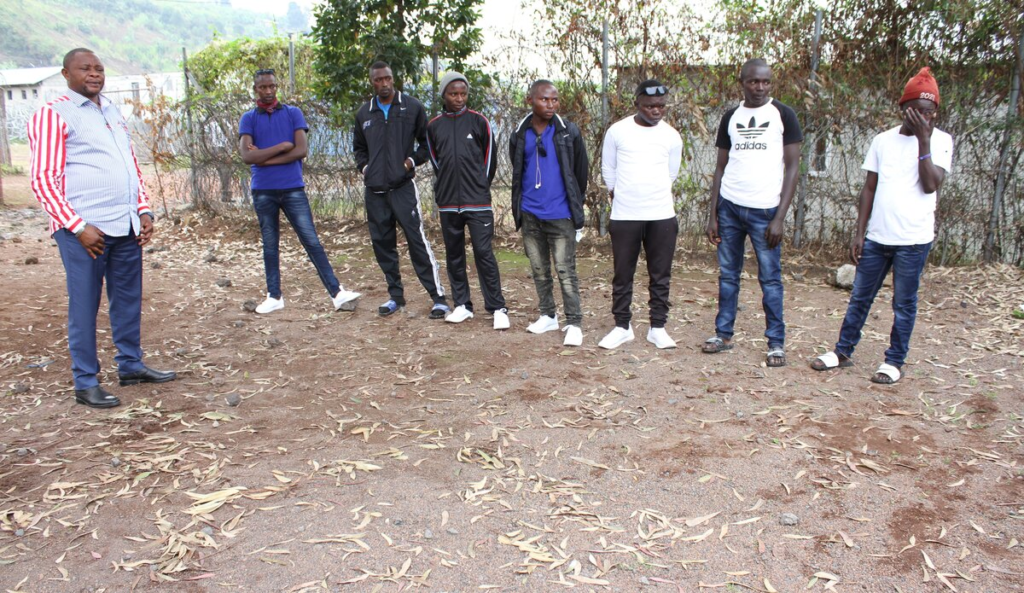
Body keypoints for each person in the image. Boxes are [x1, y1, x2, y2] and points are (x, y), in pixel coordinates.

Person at [28, 48, 176, 409]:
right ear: (66, 74)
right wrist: (77, 226)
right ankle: (85, 382)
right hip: (85, 232)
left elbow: (130, 166)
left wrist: (143, 209)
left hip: (125, 225)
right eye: (85, 68)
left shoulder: (111, 111)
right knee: (84, 304)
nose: (94, 74)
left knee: (127, 299)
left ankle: (131, 365)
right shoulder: (53, 114)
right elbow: (43, 179)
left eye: (99, 68)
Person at [811, 67, 953, 385]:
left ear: (935, 112)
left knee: (903, 303)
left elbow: (931, 184)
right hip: (878, 237)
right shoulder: (882, 141)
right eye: (916, 110)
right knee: (860, 297)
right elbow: (869, 189)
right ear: (903, 108)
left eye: (929, 112)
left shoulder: (941, 141)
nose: (923, 117)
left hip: (913, 240)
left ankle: (894, 361)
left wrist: (924, 141)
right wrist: (859, 233)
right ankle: (842, 351)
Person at [703, 58, 803, 367]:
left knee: (770, 279)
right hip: (730, 207)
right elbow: (720, 168)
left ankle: (775, 342)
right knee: (728, 275)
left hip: (766, 211)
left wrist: (780, 217)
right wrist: (713, 214)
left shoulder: (783, 114)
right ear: (742, 82)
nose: (760, 87)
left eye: (765, 82)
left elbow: (793, 168)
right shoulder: (731, 117)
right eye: (753, 81)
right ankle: (723, 335)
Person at [239, 68, 360, 314]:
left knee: (311, 240)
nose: (268, 90)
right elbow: (246, 156)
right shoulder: (248, 118)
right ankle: (274, 296)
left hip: (292, 187)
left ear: (276, 86)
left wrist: (264, 158)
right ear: (255, 89)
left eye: (272, 86)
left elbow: (301, 150)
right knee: (270, 244)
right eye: (263, 87)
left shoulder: (293, 113)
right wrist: (283, 146)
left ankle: (337, 293)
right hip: (263, 190)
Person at [353, 61, 449, 318]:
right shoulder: (364, 113)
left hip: (402, 188)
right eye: (378, 80)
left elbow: (427, 144)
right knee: (383, 245)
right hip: (375, 192)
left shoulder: (411, 107)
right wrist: (366, 169)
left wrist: (409, 163)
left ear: (393, 78)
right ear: (372, 82)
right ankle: (396, 296)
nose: (384, 84)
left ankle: (438, 298)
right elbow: (359, 149)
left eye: (387, 78)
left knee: (417, 241)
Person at [598, 80, 684, 350]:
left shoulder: (671, 136)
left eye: (661, 106)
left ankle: (657, 327)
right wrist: (620, 194)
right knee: (623, 273)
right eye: (649, 106)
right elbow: (608, 169)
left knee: (660, 274)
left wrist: (652, 194)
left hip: (661, 214)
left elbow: (672, 173)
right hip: (625, 215)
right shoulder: (618, 131)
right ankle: (622, 326)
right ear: (637, 103)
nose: (656, 111)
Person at [425, 72, 509, 329]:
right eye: (453, 94)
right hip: (448, 203)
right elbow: (436, 161)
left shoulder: (479, 122)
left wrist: (479, 186)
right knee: (454, 254)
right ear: (444, 95)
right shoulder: (434, 126)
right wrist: (446, 187)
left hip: (478, 202)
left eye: (463, 94)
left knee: (483, 252)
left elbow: (489, 160)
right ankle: (462, 304)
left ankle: (497, 307)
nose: (459, 98)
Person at [509, 79, 589, 346]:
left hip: (560, 214)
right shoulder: (520, 133)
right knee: (539, 269)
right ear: (530, 100)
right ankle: (548, 315)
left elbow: (580, 172)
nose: (551, 104)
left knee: (566, 270)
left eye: (554, 99)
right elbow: (517, 167)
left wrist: (574, 204)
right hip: (530, 212)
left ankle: (574, 322)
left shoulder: (568, 131)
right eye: (544, 99)